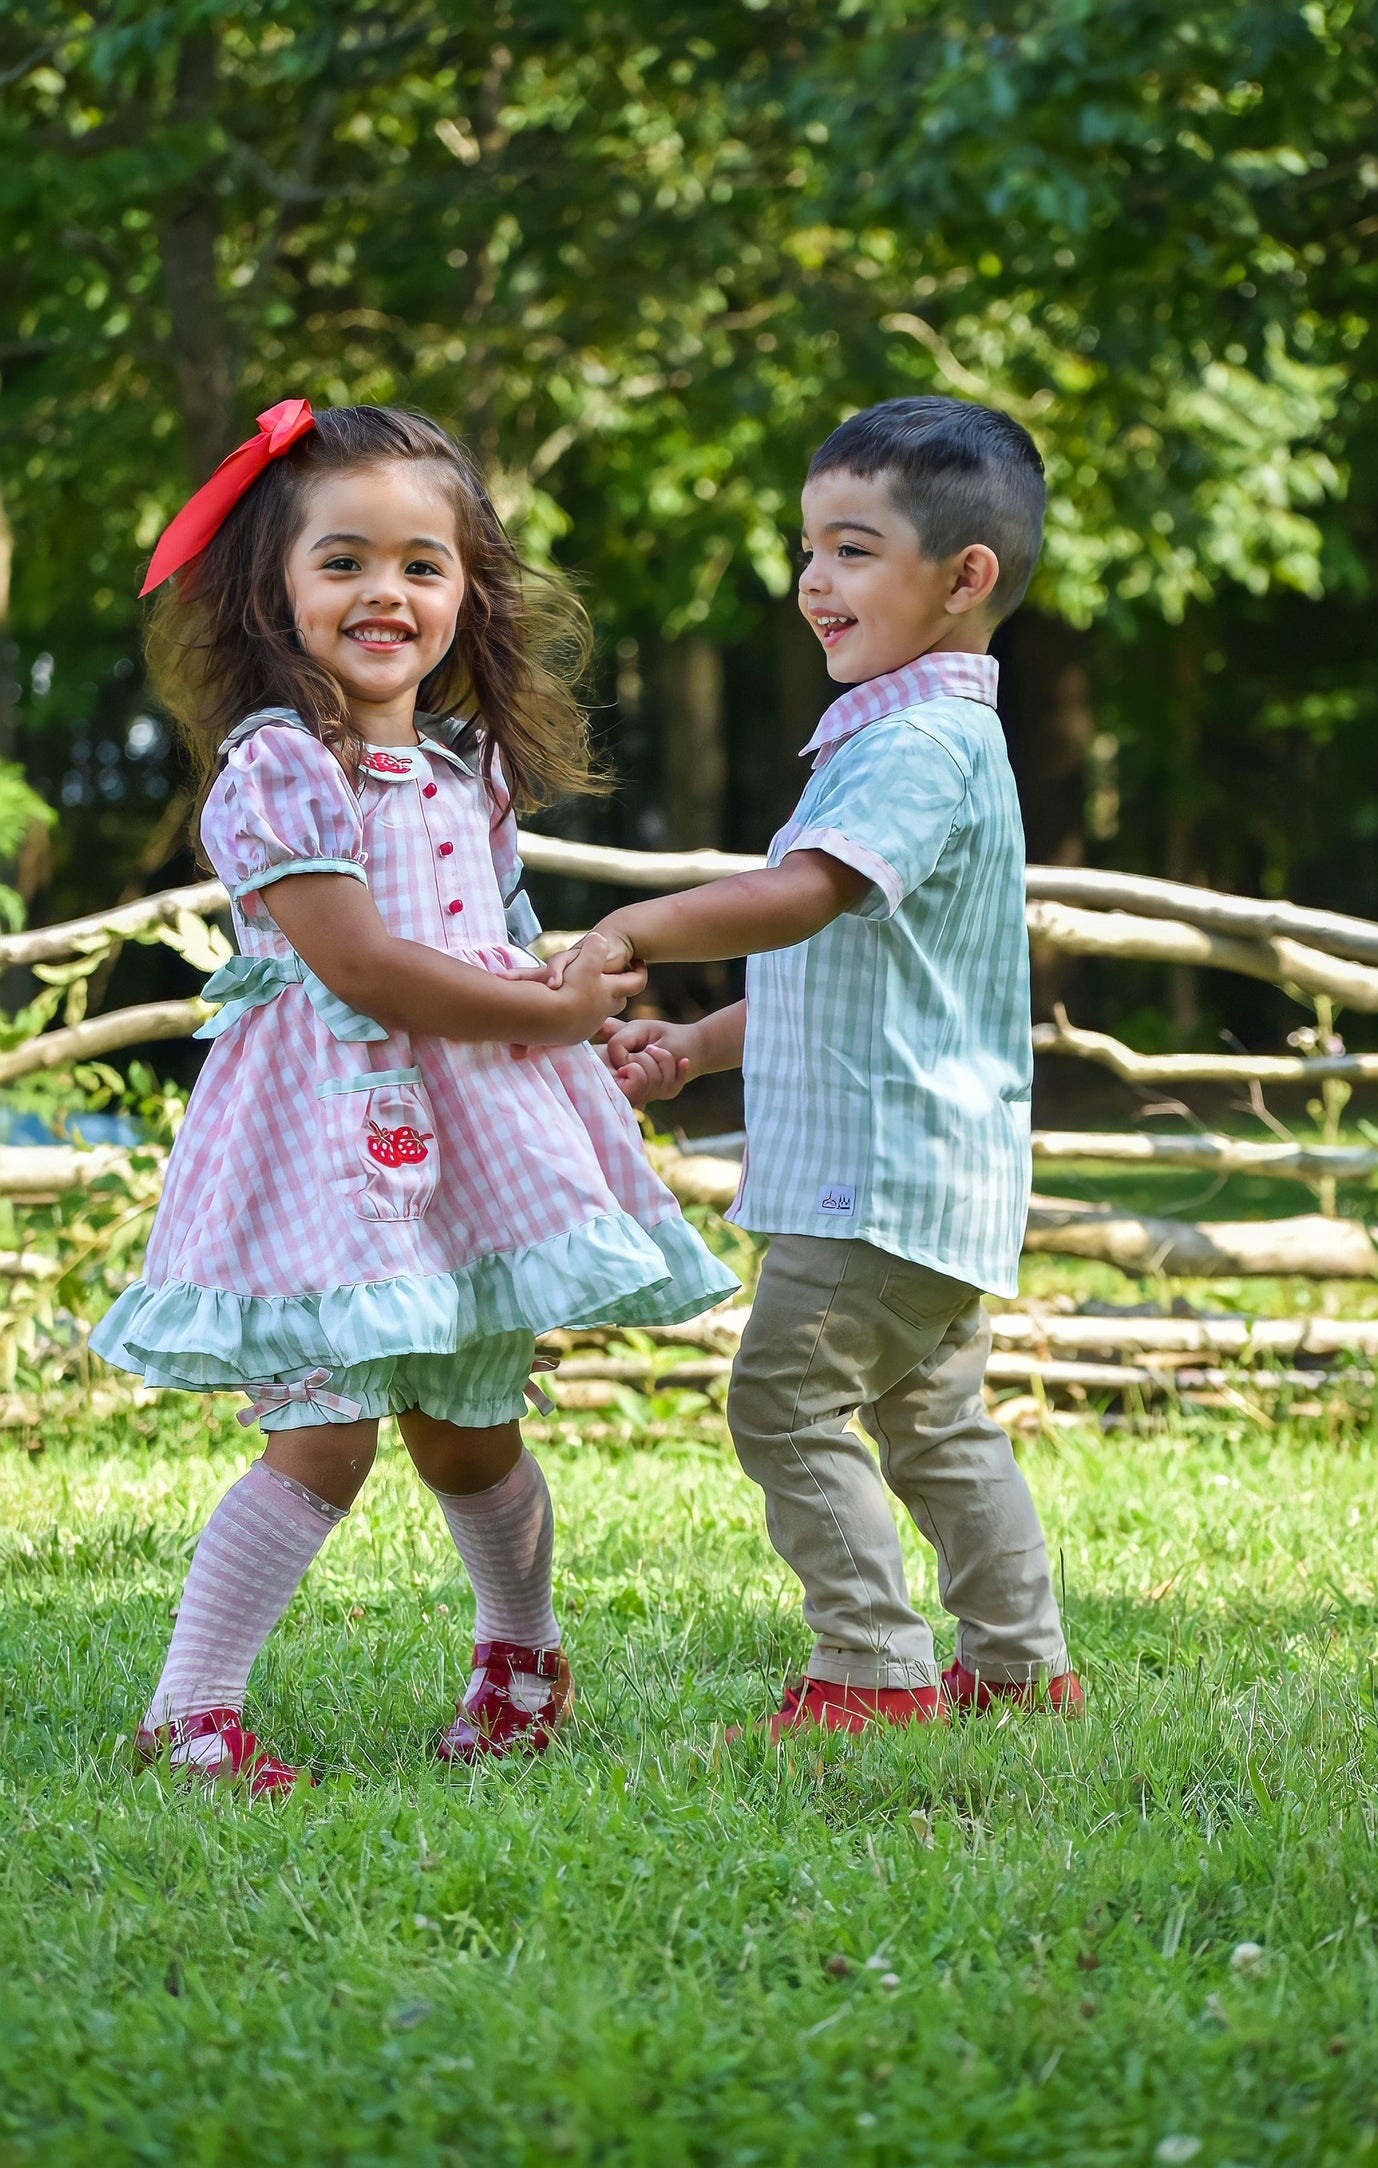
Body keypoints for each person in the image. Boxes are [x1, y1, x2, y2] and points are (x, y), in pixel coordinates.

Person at [93, 399, 737, 1793]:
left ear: (467, 590)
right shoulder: (276, 766)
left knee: (466, 1430)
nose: (384, 590)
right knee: (320, 1430)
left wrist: (580, 1033)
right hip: (328, 1138)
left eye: (421, 564)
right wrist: (552, 1005)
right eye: (342, 562)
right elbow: (369, 967)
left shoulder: (469, 770)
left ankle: (521, 1653)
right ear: (273, 587)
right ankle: (188, 1706)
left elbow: (488, 943)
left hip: (469, 1149)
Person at [567, 395, 1081, 1736]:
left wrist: (630, 928)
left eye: (852, 550)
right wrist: (695, 1045)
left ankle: (868, 1670)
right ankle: (1021, 1668)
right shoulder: (910, 734)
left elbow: (798, 902)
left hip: (874, 1172)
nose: (811, 579)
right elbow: (840, 966)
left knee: (782, 1406)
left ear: (964, 578)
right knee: (933, 1422)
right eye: (806, 547)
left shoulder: (912, 745)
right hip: (934, 1167)